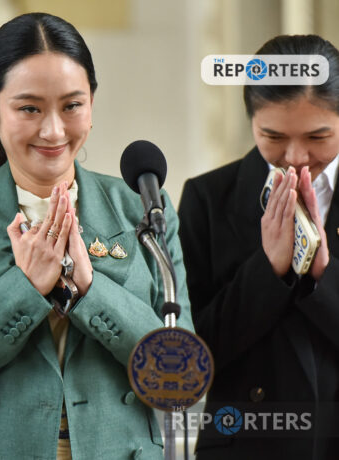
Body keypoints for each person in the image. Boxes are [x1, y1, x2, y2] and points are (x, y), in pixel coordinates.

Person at [0, 12, 193, 460]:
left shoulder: (142, 207)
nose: (53, 130)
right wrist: (23, 289)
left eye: (72, 106)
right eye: (29, 108)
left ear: (91, 105)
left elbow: (182, 380)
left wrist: (90, 290)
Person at [178, 34, 339, 459]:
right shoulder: (207, 198)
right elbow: (194, 355)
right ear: (251, 121)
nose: (296, 156)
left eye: (318, 136)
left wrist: (323, 277)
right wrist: (268, 270)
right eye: (273, 136)